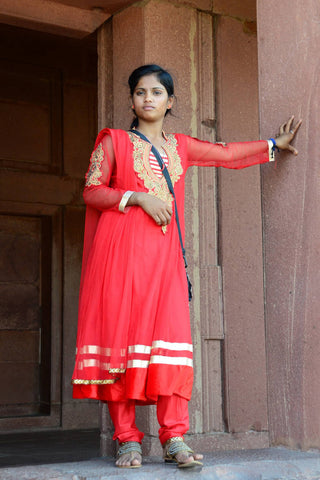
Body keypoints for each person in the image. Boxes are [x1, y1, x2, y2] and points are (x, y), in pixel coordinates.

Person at [71, 64, 301, 469]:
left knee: (171, 344)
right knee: (121, 344)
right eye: (140, 92)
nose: (148, 99)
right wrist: (139, 198)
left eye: (157, 92)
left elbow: (225, 153)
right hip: (121, 261)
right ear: (131, 100)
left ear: (170, 101)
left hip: (165, 263)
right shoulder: (114, 142)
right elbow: (92, 191)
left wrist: (272, 146)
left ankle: (174, 437)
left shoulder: (181, 147)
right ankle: (128, 440)